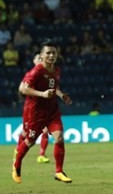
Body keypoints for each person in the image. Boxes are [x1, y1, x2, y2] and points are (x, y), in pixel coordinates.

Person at [11, 42, 73, 184]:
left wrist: (61, 95)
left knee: (59, 138)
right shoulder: (36, 71)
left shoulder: (56, 70)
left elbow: (53, 85)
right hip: (37, 113)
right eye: (48, 53)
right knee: (30, 142)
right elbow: (24, 89)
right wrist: (42, 94)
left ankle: (59, 172)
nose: (51, 55)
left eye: (54, 53)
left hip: (52, 111)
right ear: (42, 55)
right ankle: (17, 165)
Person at [31, 52, 50, 164]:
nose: (40, 60)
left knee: (45, 130)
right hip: (33, 107)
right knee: (28, 134)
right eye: (38, 58)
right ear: (34, 61)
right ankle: (19, 150)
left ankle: (41, 155)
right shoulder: (32, 75)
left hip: (43, 107)